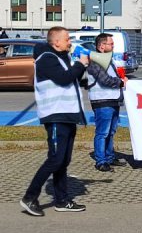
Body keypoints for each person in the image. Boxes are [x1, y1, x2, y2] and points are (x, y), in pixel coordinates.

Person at [20, 27, 89, 216]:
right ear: (56, 42)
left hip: (67, 116)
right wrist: (81, 65)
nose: (70, 42)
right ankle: (30, 197)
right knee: (55, 159)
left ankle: (62, 200)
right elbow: (64, 78)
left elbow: (72, 80)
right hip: (56, 115)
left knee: (63, 160)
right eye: (67, 39)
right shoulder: (47, 59)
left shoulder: (63, 58)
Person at [86, 33, 127, 172]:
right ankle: (101, 161)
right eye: (111, 44)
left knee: (111, 131)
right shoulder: (95, 61)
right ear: (102, 46)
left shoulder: (107, 60)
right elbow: (105, 80)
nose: (113, 46)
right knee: (102, 132)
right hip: (102, 101)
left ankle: (109, 157)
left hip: (112, 100)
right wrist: (121, 82)